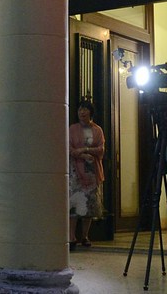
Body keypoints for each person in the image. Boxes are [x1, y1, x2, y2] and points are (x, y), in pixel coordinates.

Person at [68, 99, 105, 251]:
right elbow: (69, 148)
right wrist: (82, 155)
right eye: (80, 109)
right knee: (74, 204)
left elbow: (101, 149)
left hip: (92, 171)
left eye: (85, 109)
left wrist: (85, 150)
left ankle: (85, 236)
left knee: (90, 204)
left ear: (91, 112)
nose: (82, 112)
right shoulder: (72, 129)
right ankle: (71, 237)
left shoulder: (97, 130)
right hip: (76, 171)